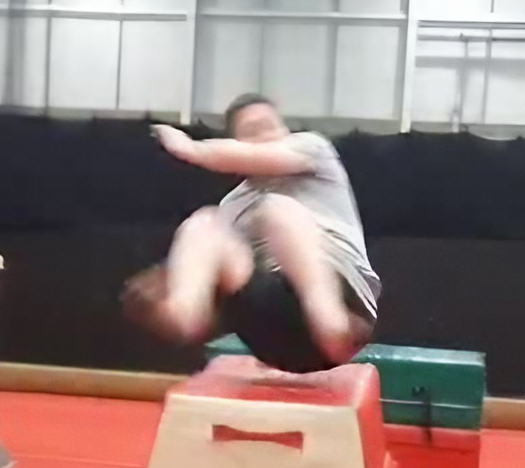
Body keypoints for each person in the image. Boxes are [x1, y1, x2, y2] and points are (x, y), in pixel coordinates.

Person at [123, 93, 381, 374]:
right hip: (276, 332)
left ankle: (331, 324)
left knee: (278, 211)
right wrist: (170, 281)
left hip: (344, 302)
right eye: (252, 132)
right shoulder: (233, 204)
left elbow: (232, 158)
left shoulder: (314, 151)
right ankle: (181, 313)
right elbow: (222, 274)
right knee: (206, 223)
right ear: (237, 144)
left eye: (271, 126)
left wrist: (190, 148)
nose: (267, 136)